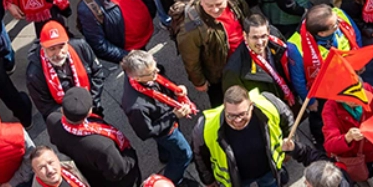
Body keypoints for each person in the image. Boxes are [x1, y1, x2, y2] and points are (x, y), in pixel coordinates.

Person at [120, 49, 198, 184]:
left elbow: (162, 82)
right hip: (165, 130)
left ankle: (165, 155)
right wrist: (173, 116)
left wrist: (176, 90)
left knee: (167, 147)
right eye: (152, 73)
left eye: (155, 65)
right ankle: (173, 180)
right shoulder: (136, 107)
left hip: (164, 115)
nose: (157, 72)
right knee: (184, 155)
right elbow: (146, 132)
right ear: (137, 78)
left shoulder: (144, 74)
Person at [191, 84, 291, 187]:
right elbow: (199, 155)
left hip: (269, 174)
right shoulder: (206, 127)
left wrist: (290, 149)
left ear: (251, 106)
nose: (237, 120)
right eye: (230, 115)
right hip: (237, 183)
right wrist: (208, 180)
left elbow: (288, 120)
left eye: (242, 114)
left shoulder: (268, 105)